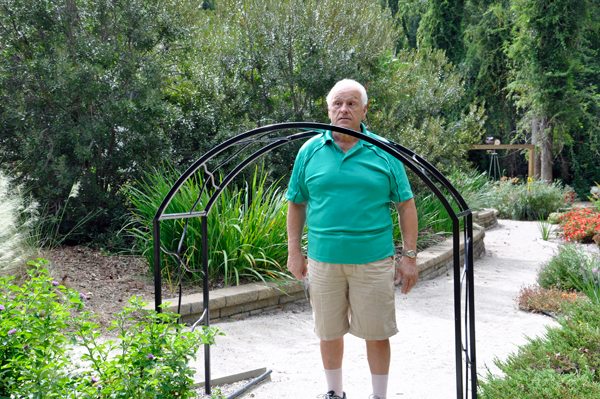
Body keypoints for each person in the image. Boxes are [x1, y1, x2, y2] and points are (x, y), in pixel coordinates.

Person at [285, 79, 419, 399]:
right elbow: (295, 203)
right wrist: (294, 252)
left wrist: (409, 256)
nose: (344, 109)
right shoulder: (310, 151)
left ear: (364, 109)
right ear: (328, 109)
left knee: (376, 333)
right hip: (323, 260)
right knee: (328, 332)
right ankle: (334, 393)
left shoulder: (384, 152)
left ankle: (379, 396)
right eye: (338, 104)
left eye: (351, 103)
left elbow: (406, 205)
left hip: (373, 260)